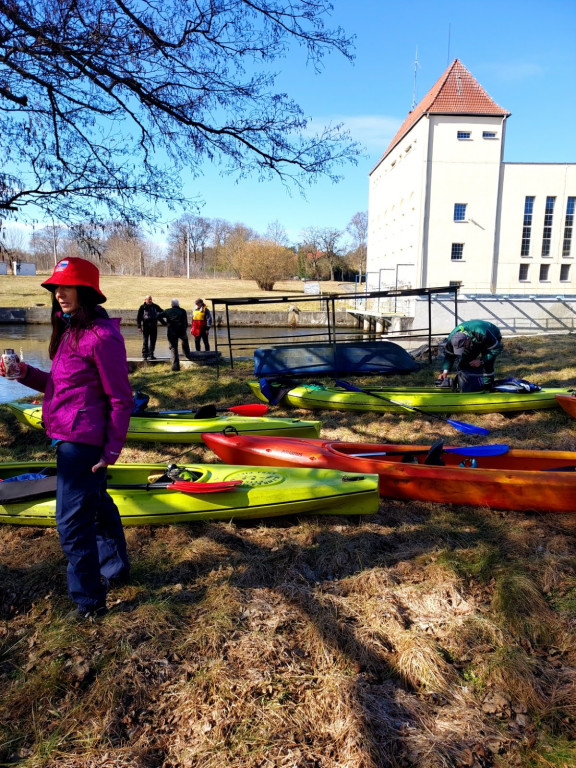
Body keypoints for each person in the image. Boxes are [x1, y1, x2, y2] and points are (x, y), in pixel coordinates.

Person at [0, 257, 133, 620]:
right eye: (56, 288)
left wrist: (112, 450)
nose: (59, 294)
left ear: (86, 292)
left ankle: (89, 601)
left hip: (84, 443)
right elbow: (58, 386)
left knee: (71, 524)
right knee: (98, 505)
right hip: (66, 436)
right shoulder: (69, 331)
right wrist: (23, 372)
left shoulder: (102, 337)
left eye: (67, 287)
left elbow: (121, 399)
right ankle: (116, 569)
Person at [438, 319, 503, 392]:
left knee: (487, 364)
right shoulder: (451, 340)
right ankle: (468, 386)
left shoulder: (483, 333)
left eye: (464, 347)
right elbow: (449, 355)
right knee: (465, 361)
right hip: (475, 339)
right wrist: (445, 372)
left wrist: (481, 361)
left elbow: (497, 348)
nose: (463, 350)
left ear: (468, 339)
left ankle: (487, 387)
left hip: (490, 334)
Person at [158, 298, 193, 371]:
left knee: (174, 348)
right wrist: (184, 329)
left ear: (171, 305)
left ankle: (175, 367)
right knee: (185, 342)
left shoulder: (168, 311)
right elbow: (185, 322)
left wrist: (164, 323)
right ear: (178, 304)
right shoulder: (183, 311)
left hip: (172, 331)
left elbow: (157, 316)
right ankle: (187, 355)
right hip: (181, 331)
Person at [136, 294, 166, 360]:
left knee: (153, 341)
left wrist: (165, 323)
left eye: (151, 299)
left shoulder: (155, 306)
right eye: (149, 299)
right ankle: (144, 355)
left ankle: (151, 354)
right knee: (145, 341)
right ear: (145, 300)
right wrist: (139, 327)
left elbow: (161, 314)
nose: (150, 300)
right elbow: (138, 318)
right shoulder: (142, 307)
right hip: (146, 327)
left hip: (154, 327)